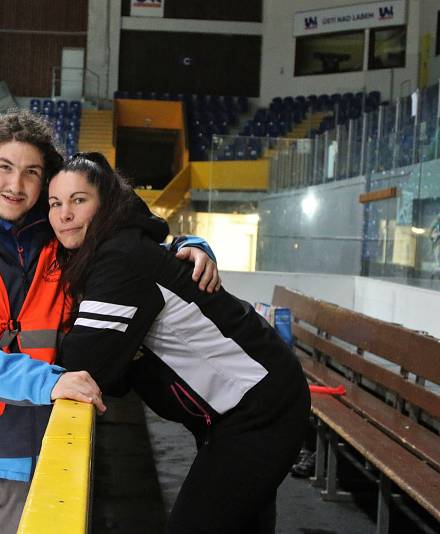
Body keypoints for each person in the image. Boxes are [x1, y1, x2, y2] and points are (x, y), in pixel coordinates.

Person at [0, 111, 217, 533]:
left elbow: (128, 238)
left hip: (35, 466)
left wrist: (187, 246)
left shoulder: (62, 241)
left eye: (32, 173)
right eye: (6, 168)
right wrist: (49, 382)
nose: (16, 184)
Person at [49, 153, 311, 534]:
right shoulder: (116, 250)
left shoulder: (120, 258)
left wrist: (117, 350)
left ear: (105, 204)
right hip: (247, 403)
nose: (64, 215)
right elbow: (111, 365)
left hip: (262, 409)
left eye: (78, 200)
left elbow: (84, 362)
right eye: (55, 203)